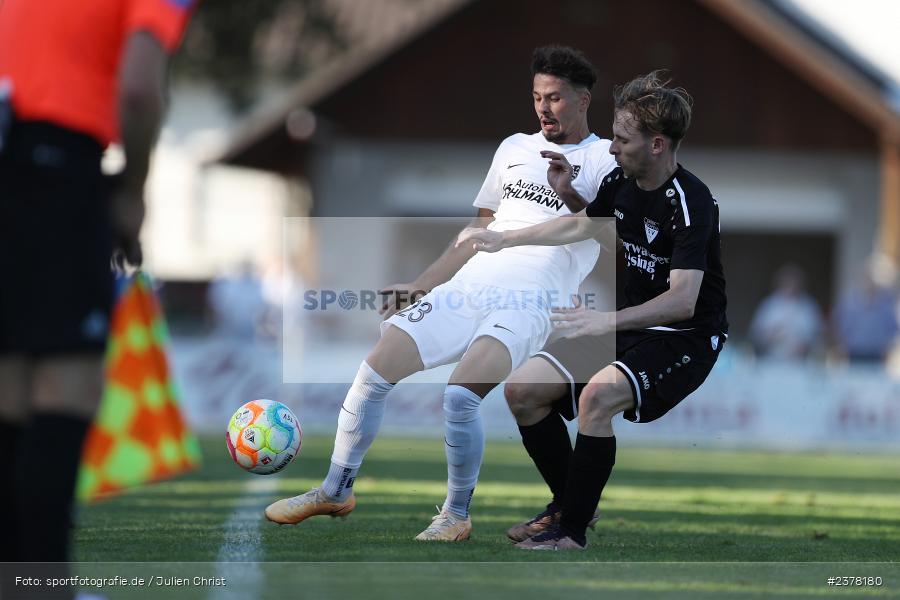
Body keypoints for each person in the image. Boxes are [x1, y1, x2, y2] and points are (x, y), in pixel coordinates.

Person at [264, 46, 617, 541]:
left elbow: (608, 234)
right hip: (468, 287)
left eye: (555, 98)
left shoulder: (606, 158)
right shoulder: (514, 148)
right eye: (537, 96)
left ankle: (454, 515)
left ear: (583, 100)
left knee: (458, 397)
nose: (543, 107)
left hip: (530, 300)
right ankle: (335, 488)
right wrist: (421, 284)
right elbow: (476, 231)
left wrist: (572, 195)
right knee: (374, 370)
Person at [457, 71, 728, 550]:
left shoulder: (692, 202)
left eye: (622, 139)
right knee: (523, 392)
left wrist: (605, 321)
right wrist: (503, 237)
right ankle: (571, 504)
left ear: (658, 145)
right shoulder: (622, 182)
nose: (611, 148)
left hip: (684, 334)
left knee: (596, 399)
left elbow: (683, 301)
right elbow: (584, 227)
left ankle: (571, 532)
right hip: (629, 324)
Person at [0, 0, 194, 581]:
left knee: (7, 394)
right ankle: (41, 585)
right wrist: (133, 192)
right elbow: (138, 90)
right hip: (53, 168)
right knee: (63, 387)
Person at [749, 264, 822, 360]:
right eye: (786, 283)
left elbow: (817, 334)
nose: (790, 286)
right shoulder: (769, 305)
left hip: (801, 362)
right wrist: (771, 336)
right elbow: (756, 333)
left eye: (793, 283)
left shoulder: (808, 307)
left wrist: (805, 345)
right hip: (771, 360)